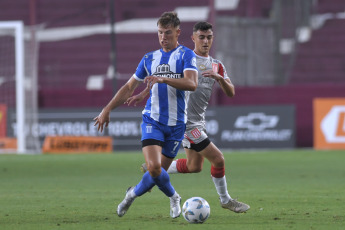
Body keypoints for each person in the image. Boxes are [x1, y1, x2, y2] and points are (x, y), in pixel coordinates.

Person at [127, 21, 250, 213]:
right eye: (201, 37)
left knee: (194, 166)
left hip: (198, 122)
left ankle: (154, 171)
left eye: (209, 37)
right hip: (184, 123)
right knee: (218, 159)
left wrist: (220, 79)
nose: (205, 41)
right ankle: (225, 200)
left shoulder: (217, 65)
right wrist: (145, 93)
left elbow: (231, 92)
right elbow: (162, 78)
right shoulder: (185, 59)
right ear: (193, 38)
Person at [94, 11, 198, 218]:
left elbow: (192, 84)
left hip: (177, 124)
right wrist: (107, 109)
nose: (163, 37)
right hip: (153, 120)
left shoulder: (187, 55)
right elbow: (128, 86)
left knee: (156, 174)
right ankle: (173, 197)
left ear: (178, 32)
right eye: (160, 32)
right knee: (153, 166)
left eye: (167, 33)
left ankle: (131, 193)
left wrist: (163, 79)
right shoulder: (149, 58)